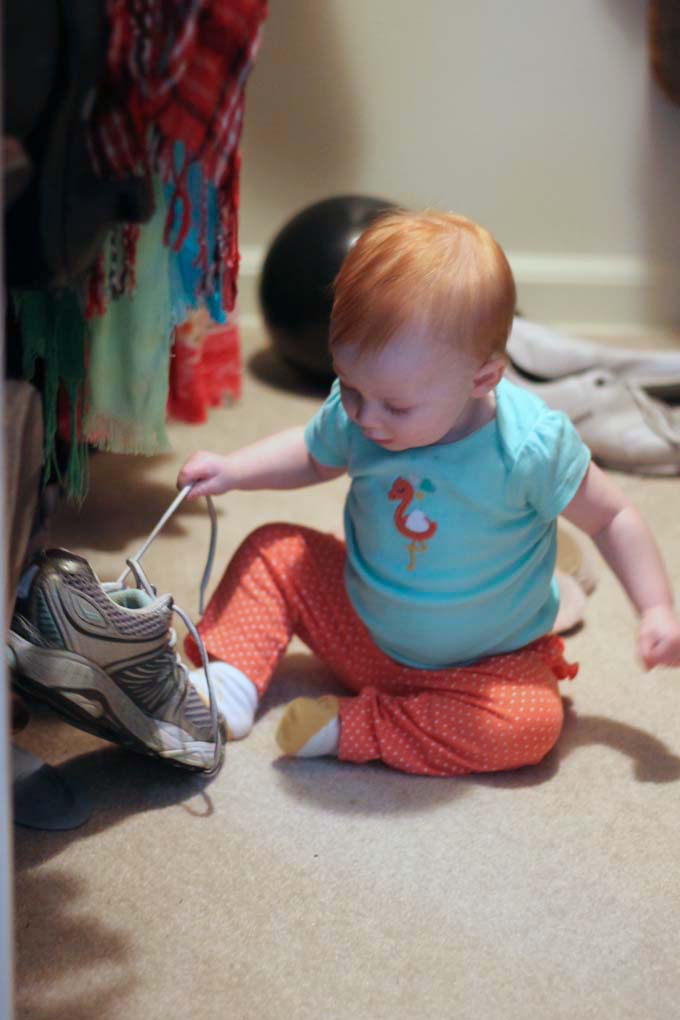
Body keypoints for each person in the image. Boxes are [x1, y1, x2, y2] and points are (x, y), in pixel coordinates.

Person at [177, 210, 680, 777]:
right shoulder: (364, 408)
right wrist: (233, 468)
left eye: (395, 405)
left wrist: (656, 608)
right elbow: (311, 454)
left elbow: (611, 517)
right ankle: (228, 684)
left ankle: (353, 727)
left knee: (532, 725)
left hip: (487, 664)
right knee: (273, 552)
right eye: (349, 387)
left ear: (482, 379)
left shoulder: (530, 445)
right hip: (361, 627)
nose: (366, 418)